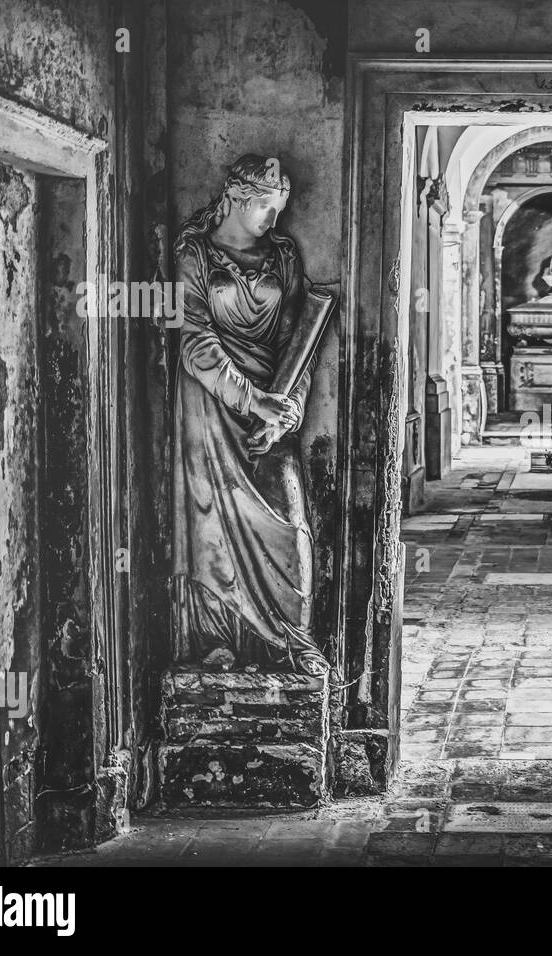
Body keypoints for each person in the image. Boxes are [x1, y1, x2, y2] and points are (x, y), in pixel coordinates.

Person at [171, 154, 328, 676]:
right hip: (212, 405)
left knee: (289, 518)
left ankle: (294, 634)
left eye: (278, 209)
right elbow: (194, 341)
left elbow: (296, 345)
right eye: (264, 207)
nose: (273, 220)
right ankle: (218, 637)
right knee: (211, 519)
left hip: (272, 403)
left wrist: (288, 408)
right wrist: (251, 398)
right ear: (235, 199)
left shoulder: (281, 255)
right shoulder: (193, 254)